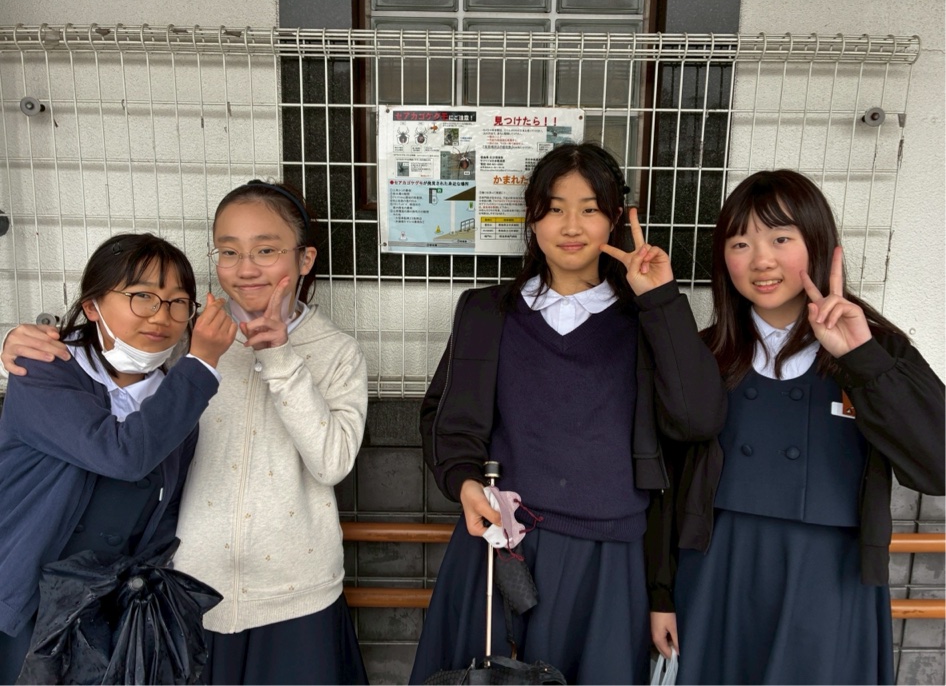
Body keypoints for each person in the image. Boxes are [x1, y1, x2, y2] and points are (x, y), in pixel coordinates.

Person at [1, 181, 370, 685]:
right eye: (229, 251)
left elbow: (332, 463)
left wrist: (280, 358)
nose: (245, 268)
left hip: (296, 587)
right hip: (186, 587)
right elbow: (108, 374)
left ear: (304, 259)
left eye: (265, 250)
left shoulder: (335, 352)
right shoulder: (185, 339)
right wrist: (17, 340)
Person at [409, 142, 727, 685]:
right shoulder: (488, 312)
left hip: (607, 559)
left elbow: (698, 419)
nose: (571, 225)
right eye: (555, 208)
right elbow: (446, 419)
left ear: (615, 219)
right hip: (501, 550)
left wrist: (662, 299)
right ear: (532, 219)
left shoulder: (644, 320)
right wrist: (463, 482)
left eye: (590, 209)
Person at [649, 169, 945, 685]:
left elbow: (938, 465)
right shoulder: (705, 354)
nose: (761, 261)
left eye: (781, 239)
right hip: (716, 572)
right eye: (741, 244)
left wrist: (862, 359)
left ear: (818, 243)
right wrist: (661, 594)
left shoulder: (876, 348)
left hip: (829, 577)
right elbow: (664, 487)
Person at [0, 233, 236, 683]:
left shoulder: (174, 401)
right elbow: (121, 455)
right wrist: (202, 362)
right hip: (29, 603)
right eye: (142, 296)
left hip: (109, 615)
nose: (161, 316)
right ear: (92, 306)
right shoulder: (43, 369)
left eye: (178, 302)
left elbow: (164, 516)